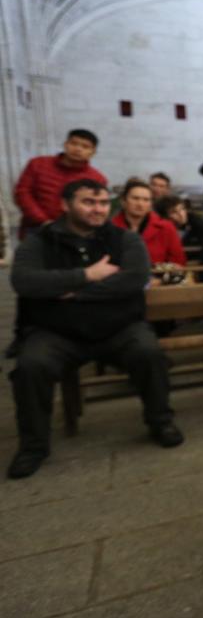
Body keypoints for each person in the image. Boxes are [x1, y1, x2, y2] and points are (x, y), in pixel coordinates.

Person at [8, 179, 183, 478]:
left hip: (119, 326)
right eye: (88, 202)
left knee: (148, 352)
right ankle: (33, 445)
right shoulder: (40, 241)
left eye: (102, 203)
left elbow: (133, 279)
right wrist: (88, 274)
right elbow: (24, 281)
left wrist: (73, 291)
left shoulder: (124, 239)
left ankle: (160, 421)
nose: (98, 209)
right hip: (56, 331)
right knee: (30, 366)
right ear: (65, 204)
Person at [14, 129, 107, 239]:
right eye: (74, 143)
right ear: (65, 144)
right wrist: (43, 221)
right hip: (35, 227)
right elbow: (22, 193)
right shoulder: (37, 164)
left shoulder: (96, 178)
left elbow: (94, 206)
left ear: (93, 152)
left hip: (75, 232)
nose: (78, 149)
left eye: (85, 147)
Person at [112, 178, 187, 269]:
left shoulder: (166, 227)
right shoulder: (110, 228)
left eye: (146, 200)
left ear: (150, 204)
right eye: (135, 198)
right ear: (123, 201)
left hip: (160, 279)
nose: (140, 204)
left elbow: (178, 263)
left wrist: (158, 281)